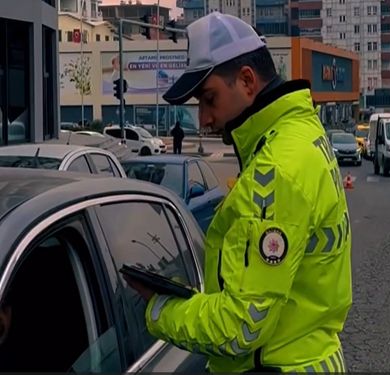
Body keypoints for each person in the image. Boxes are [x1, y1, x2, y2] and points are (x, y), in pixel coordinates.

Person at [123, 11, 352, 373]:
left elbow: (240, 327)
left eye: (209, 99)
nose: (204, 120)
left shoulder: (276, 167)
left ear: (247, 80)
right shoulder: (302, 135)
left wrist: (159, 309)